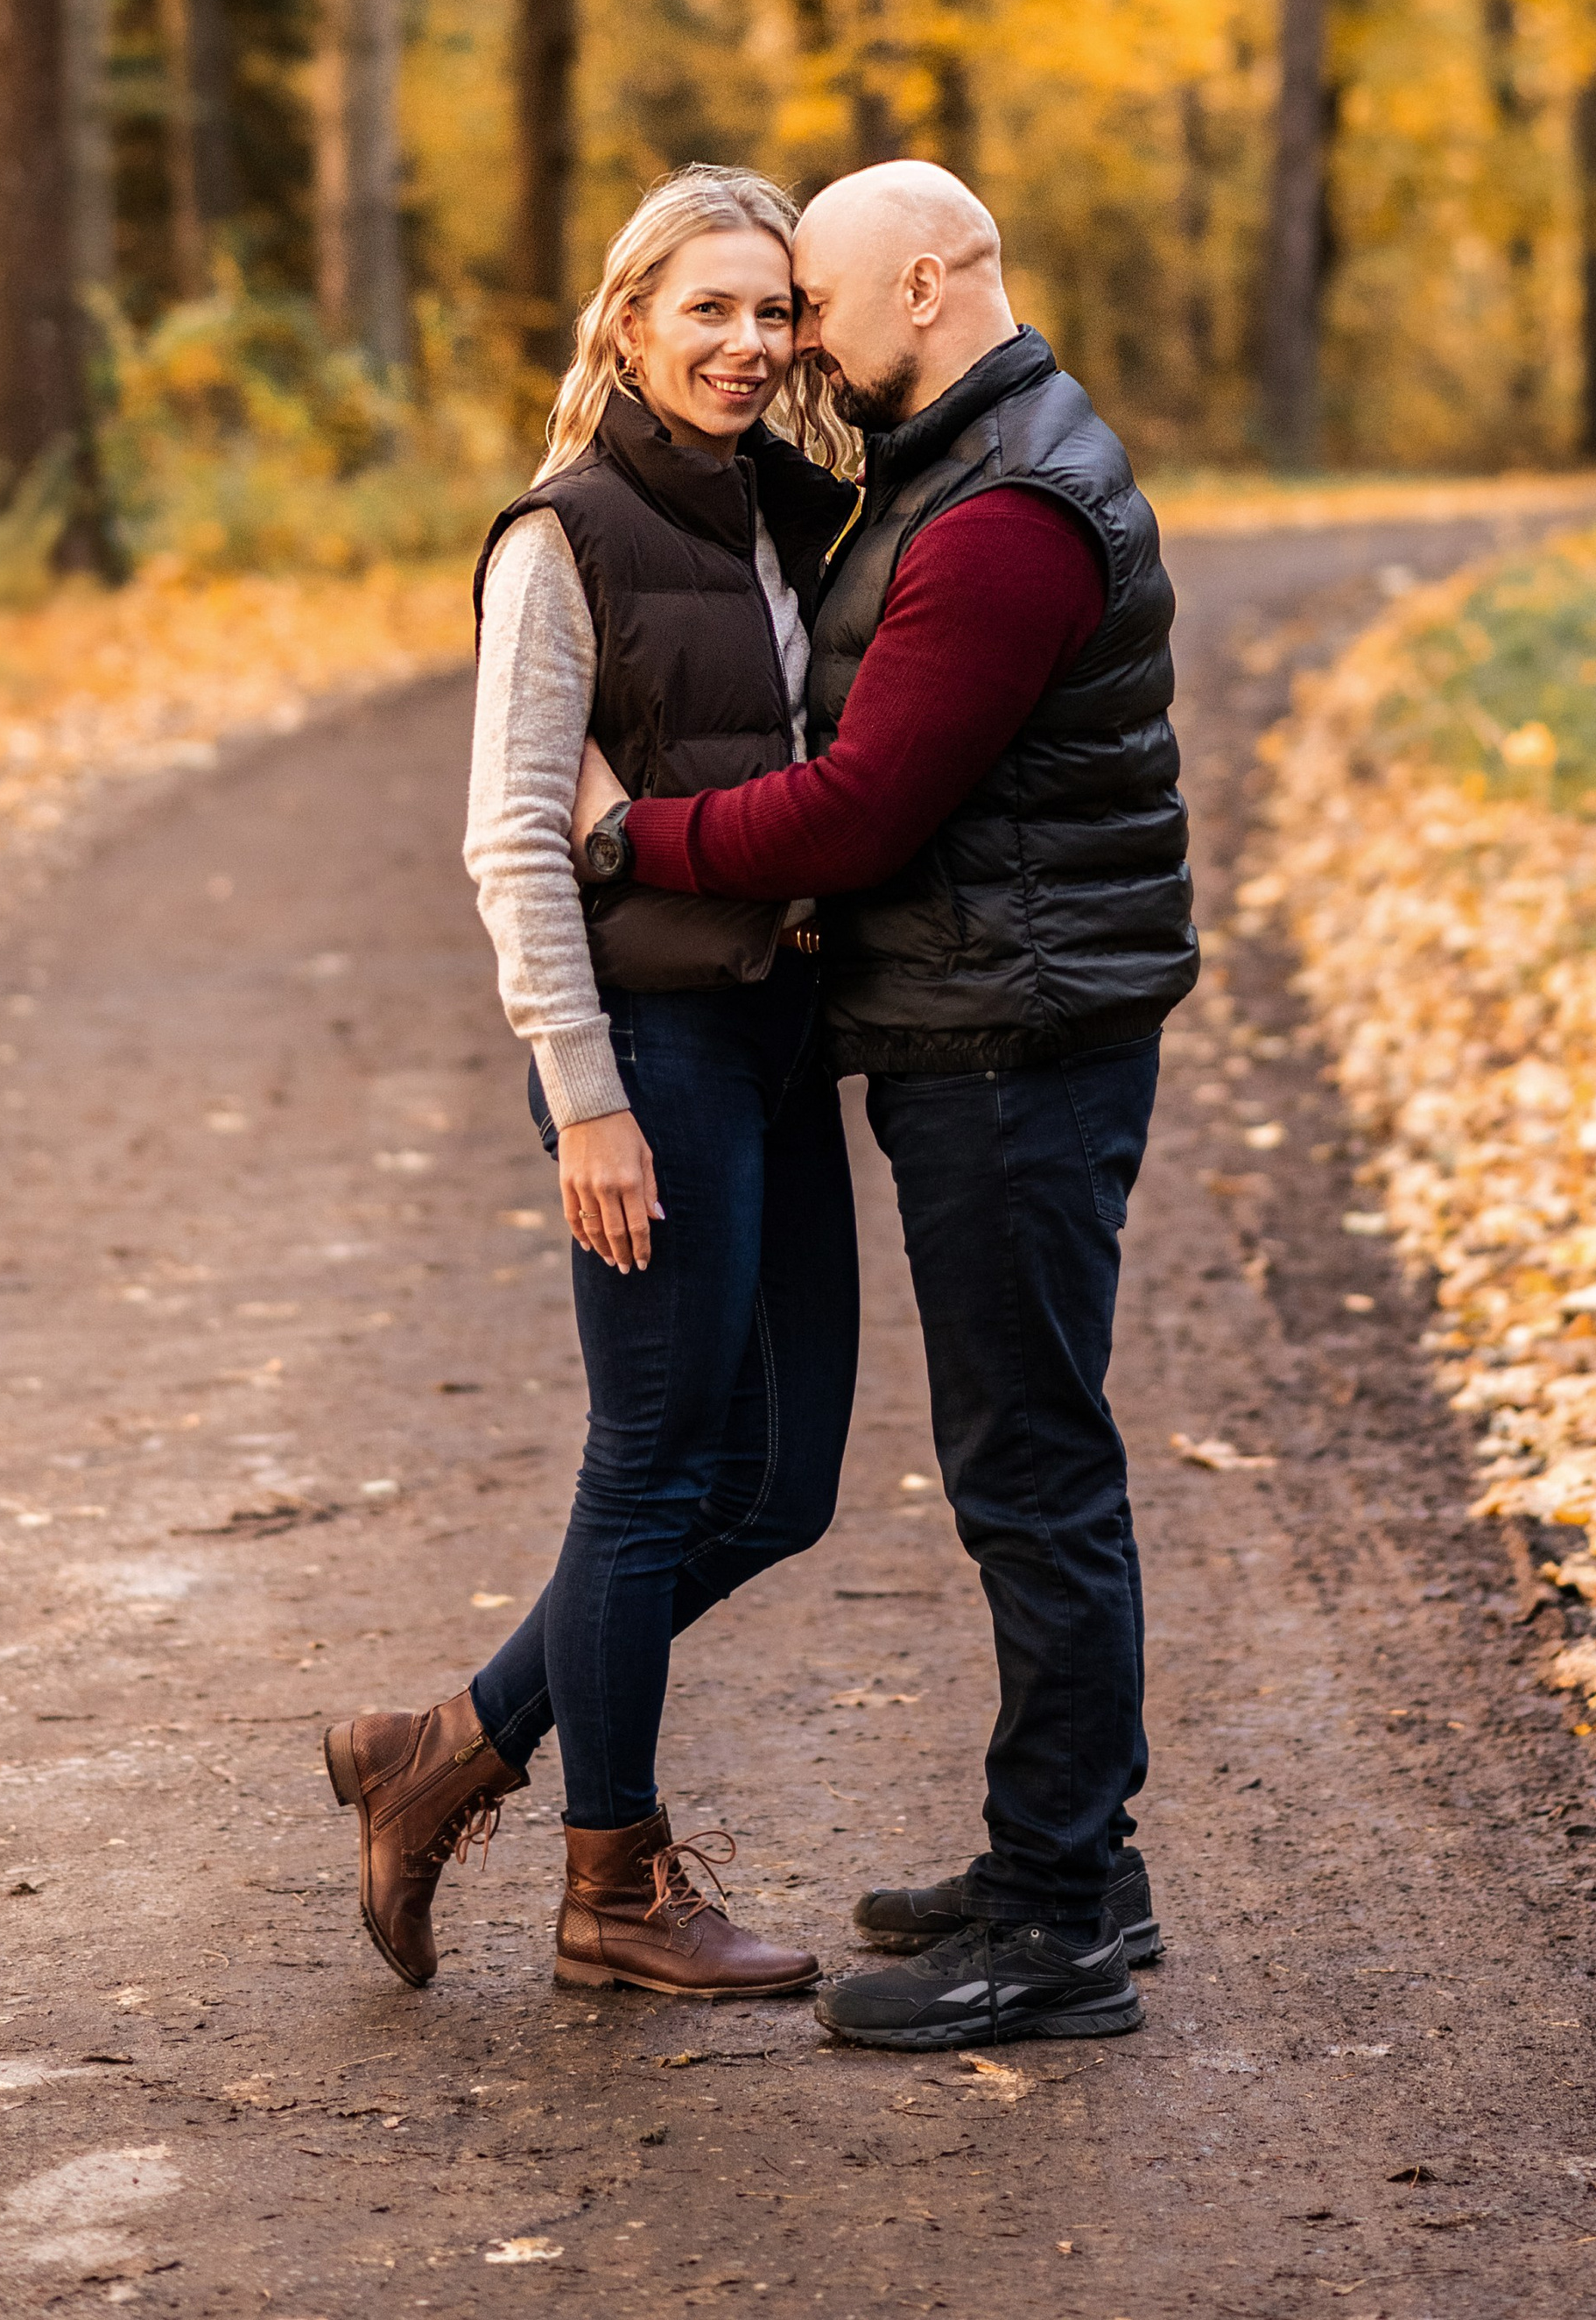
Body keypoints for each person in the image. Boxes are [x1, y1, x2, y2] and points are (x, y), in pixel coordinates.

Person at [571, 160, 1197, 2050]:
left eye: (817, 307)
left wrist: (629, 834)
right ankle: (1065, 1859)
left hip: (1012, 1046)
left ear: (924, 284)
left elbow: (856, 807)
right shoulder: (961, 457)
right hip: (990, 1024)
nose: (798, 347)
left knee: (1029, 1471)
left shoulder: (1004, 509)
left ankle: (1059, 1919)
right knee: (1028, 1458)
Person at [324, 165, 861, 2002]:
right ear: (627, 321)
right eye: (705, 307)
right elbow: (509, 841)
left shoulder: (778, 513)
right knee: (652, 1469)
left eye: (772, 310)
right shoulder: (563, 536)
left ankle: (447, 1748)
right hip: (647, 1051)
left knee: (781, 1479)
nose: (745, 340)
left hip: (776, 1035)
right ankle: (609, 1888)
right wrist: (585, 1096)